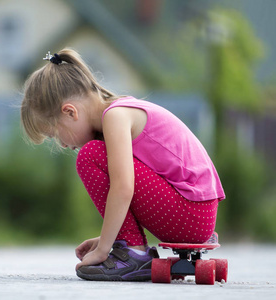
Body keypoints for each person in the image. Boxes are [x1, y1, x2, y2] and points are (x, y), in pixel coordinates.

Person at [20, 48, 225, 281]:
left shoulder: (115, 117)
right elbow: (143, 187)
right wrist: (107, 237)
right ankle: (129, 247)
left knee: (90, 155)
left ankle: (131, 253)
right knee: (97, 155)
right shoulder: (121, 111)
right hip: (197, 216)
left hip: (190, 214)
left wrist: (104, 249)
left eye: (56, 135)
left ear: (70, 112)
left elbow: (123, 187)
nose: (63, 145)